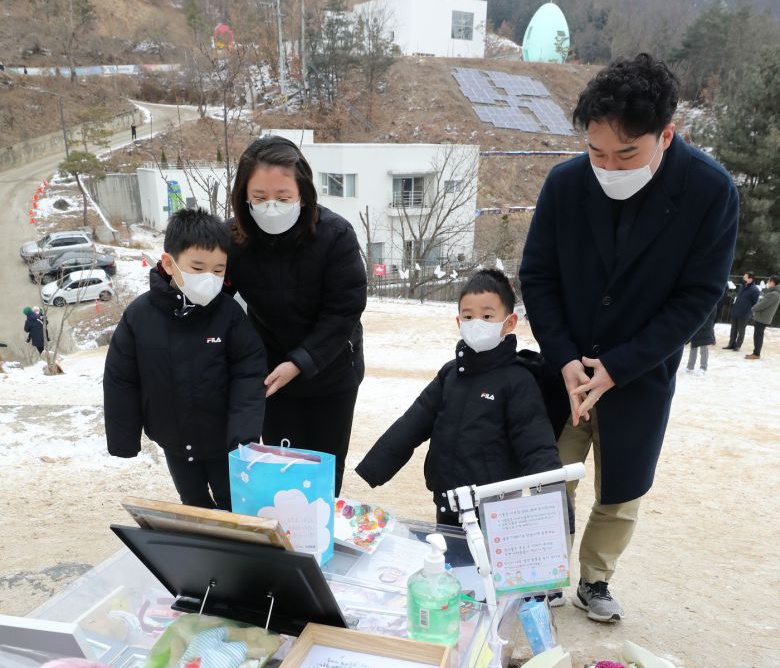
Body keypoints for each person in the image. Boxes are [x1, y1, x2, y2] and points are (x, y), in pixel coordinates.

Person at [519, 53, 739, 622]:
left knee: (621, 489)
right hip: (566, 370)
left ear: (666, 134)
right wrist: (563, 356)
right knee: (549, 476)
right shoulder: (566, 183)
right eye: (597, 152)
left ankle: (595, 579)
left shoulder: (709, 191)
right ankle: (542, 573)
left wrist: (618, 366)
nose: (609, 166)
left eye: (626, 154)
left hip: (640, 372)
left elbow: (697, 297)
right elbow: (538, 276)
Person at [355, 269, 562, 526]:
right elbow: (412, 423)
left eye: (487, 316)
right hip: (448, 500)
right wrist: (374, 467)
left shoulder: (518, 380)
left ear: (509, 323)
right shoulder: (450, 374)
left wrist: (554, 509)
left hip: (495, 508)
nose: (477, 323)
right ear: (459, 322)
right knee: (448, 550)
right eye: (468, 316)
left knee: (485, 555)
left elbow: (536, 446)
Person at [225, 136, 367, 495]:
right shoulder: (234, 239)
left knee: (322, 475)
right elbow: (210, 292)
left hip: (333, 371)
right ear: (244, 196)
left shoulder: (335, 235)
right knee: (282, 472)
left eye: (283, 197)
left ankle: (321, 525)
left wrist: (300, 362)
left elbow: (344, 310)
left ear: (303, 194)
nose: (271, 207)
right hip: (274, 377)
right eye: (259, 197)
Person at [104, 208, 267, 510]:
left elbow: (249, 372)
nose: (209, 278)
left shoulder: (229, 315)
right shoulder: (140, 316)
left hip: (224, 442)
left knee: (235, 505)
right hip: (174, 440)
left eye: (218, 270)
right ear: (169, 263)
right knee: (193, 504)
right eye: (197, 267)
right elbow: (121, 378)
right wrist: (123, 438)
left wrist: (243, 437)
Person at [746, 275, 780, 360]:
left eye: (769, 281)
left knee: (758, 336)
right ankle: (756, 353)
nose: (767, 282)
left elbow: (762, 304)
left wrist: (753, 308)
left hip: (762, 318)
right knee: (758, 335)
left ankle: (756, 354)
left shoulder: (774, 294)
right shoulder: (774, 293)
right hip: (763, 317)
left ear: (773, 282)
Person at [724, 273, 759, 351]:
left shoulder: (755, 290)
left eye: (745, 277)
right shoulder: (742, 286)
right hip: (735, 311)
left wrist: (748, 310)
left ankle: (737, 346)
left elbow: (754, 303)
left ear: (750, 279)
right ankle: (731, 344)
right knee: (733, 329)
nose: (743, 278)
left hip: (744, 313)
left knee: (741, 330)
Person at [685, 306, 717, 375]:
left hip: (706, 326)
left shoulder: (712, 303)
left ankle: (703, 368)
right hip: (697, 325)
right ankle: (690, 367)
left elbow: (713, 316)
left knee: (703, 348)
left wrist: (708, 325)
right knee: (693, 347)